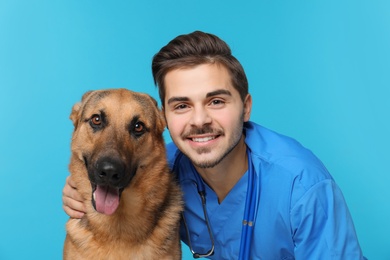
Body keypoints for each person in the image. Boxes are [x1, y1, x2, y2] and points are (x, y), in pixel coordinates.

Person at [62, 31, 365, 259]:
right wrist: (79, 188)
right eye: (182, 106)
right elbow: (115, 167)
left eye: (216, 101)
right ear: (165, 120)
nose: (199, 120)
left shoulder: (303, 188)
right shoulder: (160, 168)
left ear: (245, 107)